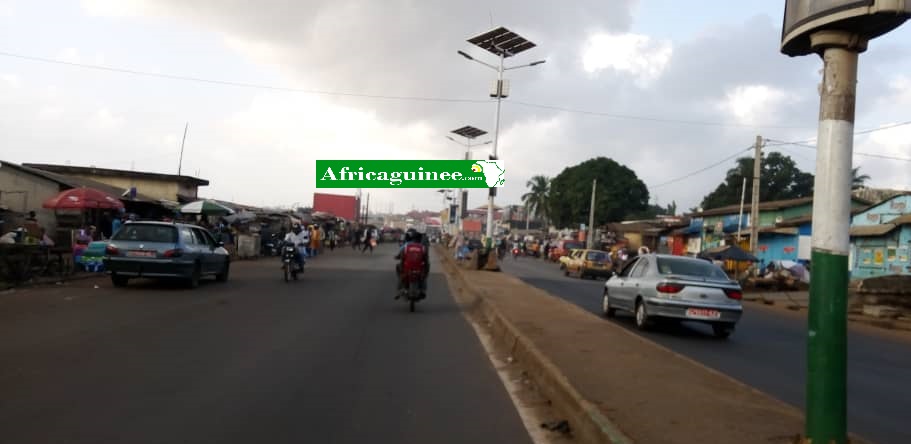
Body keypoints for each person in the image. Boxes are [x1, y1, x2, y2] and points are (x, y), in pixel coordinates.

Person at [395, 228, 429, 299]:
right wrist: (426, 270)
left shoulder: (406, 245)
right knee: (424, 276)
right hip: (418, 268)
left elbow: (401, 256)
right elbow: (425, 259)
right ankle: (423, 290)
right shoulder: (422, 247)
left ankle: (399, 289)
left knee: (400, 273)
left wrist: (398, 258)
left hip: (407, 268)